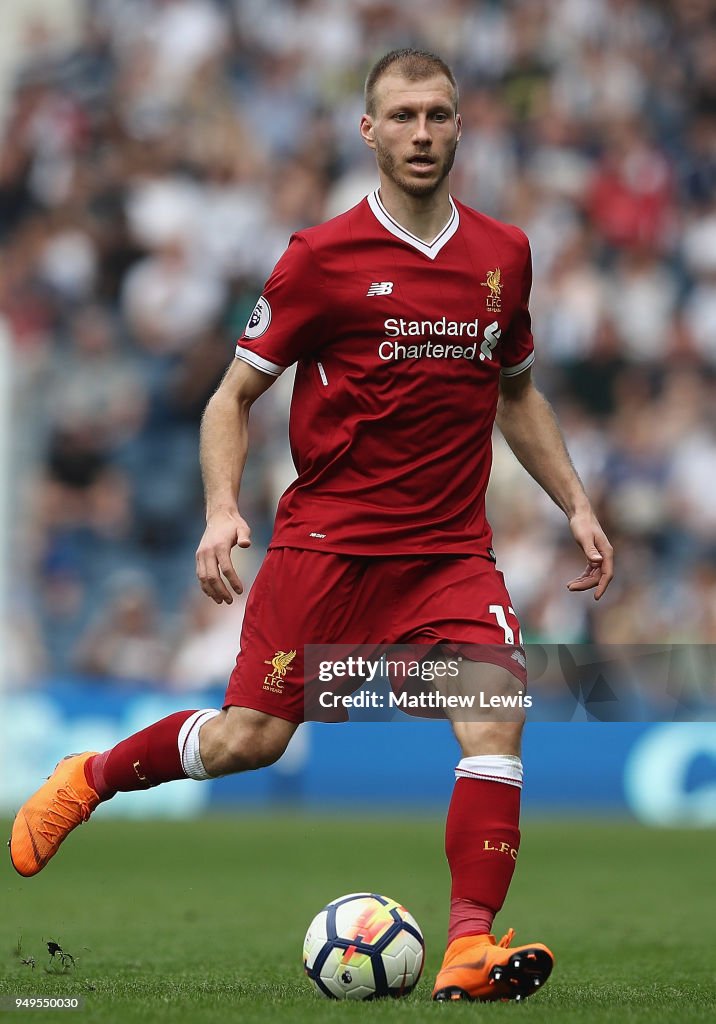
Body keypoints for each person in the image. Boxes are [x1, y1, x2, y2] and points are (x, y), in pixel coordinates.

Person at [10, 49, 613, 1003]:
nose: (423, 133)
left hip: (449, 556)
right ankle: (88, 778)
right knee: (252, 740)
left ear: (462, 127)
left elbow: (519, 391)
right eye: (404, 117)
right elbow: (230, 397)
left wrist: (575, 502)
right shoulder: (320, 258)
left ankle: (468, 945)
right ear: (368, 132)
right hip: (325, 550)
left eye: (440, 116)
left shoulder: (505, 255)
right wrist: (220, 508)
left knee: (497, 718)